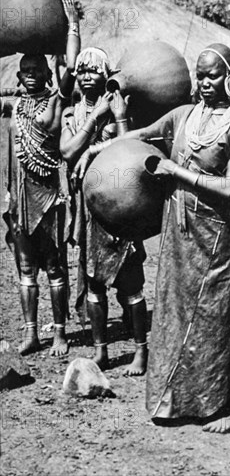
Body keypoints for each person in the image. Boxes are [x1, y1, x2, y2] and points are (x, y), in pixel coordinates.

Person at [73, 43, 230, 433]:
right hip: (178, 229)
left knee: (217, 314)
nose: (206, 83)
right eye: (201, 75)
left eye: (214, 75)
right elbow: (140, 134)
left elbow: (228, 188)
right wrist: (99, 147)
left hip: (215, 233)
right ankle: (181, 398)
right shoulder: (183, 116)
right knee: (175, 311)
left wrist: (176, 172)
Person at [60, 47, 148, 376]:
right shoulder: (72, 113)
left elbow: (128, 143)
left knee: (129, 280)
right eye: (81, 70)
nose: (85, 76)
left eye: (94, 71)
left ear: (106, 74)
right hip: (87, 205)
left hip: (119, 200)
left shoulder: (119, 106)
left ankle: (140, 351)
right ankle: (101, 351)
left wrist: (96, 147)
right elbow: (68, 151)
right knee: (94, 280)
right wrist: (95, 119)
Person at [3, 0, 79, 357]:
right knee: (25, 269)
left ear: (47, 74)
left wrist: (73, 26)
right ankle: (32, 333)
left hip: (48, 195)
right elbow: (10, 159)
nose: (31, 77)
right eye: (26, 72)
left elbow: (72, 68)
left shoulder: (55, 101)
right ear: (18, 76)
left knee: (55, 267)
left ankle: (61, 333)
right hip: (19, 197)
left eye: (38, 72)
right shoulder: (14, 107)